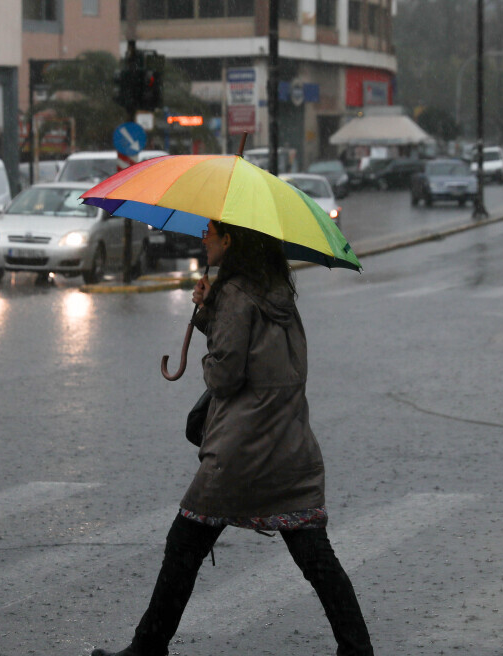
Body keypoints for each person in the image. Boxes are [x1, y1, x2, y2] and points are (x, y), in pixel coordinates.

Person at [91, 220, 373, 656]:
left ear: (231, 240)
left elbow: (225, 374)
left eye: (211, 232)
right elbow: (258, 352)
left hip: (242, 450)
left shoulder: (237, 296)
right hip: (288, 443)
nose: (203, 238)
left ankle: (148, 648)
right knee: (314, 554)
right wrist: (209, 313)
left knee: (185, 543)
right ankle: (357, 649)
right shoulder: (276, 292)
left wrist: (210, 337)